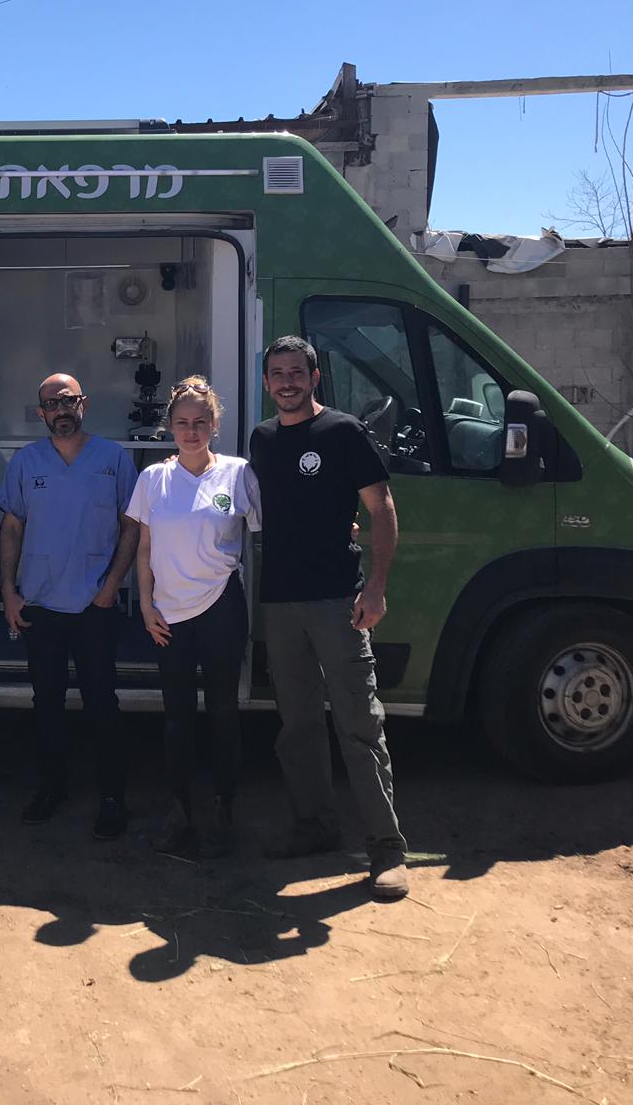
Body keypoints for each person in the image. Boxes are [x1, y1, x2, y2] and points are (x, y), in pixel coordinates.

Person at [248, 335, 408, 901]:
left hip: (339, 600)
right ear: (266, 382)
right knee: (298, 725)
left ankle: (386, 848)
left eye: (297, 372)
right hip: (282, 602)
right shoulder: (262, 439)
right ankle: (313, 825)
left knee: (359, 723)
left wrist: (378, 587)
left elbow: (381, 507)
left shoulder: (342, 432)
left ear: (315, 378)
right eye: (277, 373)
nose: (287, 382)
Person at [0, 373, 139, 838]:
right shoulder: (26, 462)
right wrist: (10, 590)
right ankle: (51, 788)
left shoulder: (113, 460)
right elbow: (13, 528)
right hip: (41, 604)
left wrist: (112, 585)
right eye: (51, 403)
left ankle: (112, 796)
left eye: (68, 400)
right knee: (48, 705)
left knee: (103, 703)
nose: (60, 409)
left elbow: (131, 527)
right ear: (40, 413)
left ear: (84, 404)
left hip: (95, 604)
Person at [127, 378, 261, 857]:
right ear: (170, 427)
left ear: (215, 425)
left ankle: (225, 806)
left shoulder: (238, 474)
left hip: (223, 607)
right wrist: (146, 605)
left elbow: (273, 528)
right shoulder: (153, 480)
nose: (191, 430)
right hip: (169, 615)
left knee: (224, 712)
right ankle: (179, 810)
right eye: (182, 423)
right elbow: (144, 549)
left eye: (200, 422)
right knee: (177, 717)